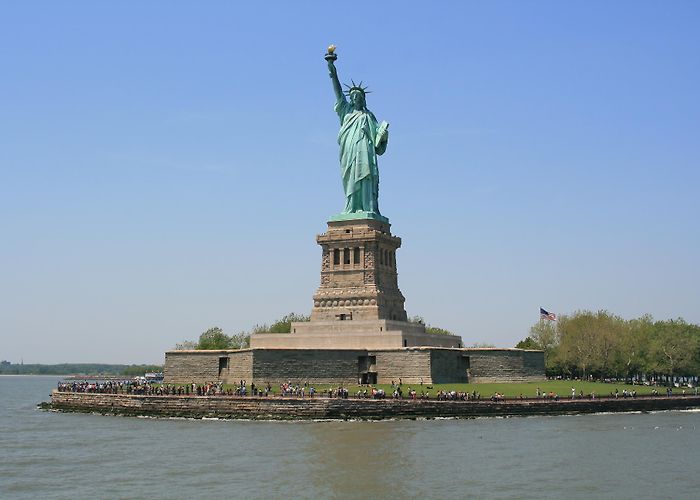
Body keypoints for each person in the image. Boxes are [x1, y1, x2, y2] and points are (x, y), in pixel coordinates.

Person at [327, 55, 388, 216]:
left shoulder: (369, 116)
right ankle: (351, 207)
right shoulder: (345, 111)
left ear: (363, 99)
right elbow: (338, 91)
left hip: (365, 152)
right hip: (349, 150)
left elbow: (378, 143)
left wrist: (383, 135)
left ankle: (368, 208)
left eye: (359, 96)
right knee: (350, 177)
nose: (356, 98)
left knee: (367, 177)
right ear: (351, 99)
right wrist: (332, 70)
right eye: (353, 96)